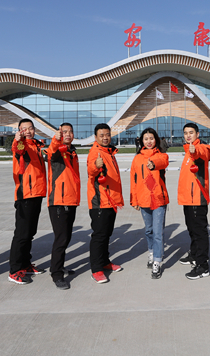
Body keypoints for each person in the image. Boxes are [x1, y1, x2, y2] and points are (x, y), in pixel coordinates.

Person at [8, 118, 47, 285]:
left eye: (30, 128)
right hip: (26, 195)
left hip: (37, 193)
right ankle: (15, 270)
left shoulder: (36, 146)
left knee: (30, 233)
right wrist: (18, 139)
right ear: (19, 131)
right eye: (24, 129)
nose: (28, 131)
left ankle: (25, 264)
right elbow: (18, 148)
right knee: (22, 234)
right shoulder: (22, 145)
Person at [87, 123, 125, 284]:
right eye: (101, 135)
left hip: (111, 201)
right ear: (95, 137)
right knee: (99, 236)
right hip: (100, 202)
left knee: (106, 234)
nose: (105, 138)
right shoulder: (96, 152)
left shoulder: (109, 152)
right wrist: (96, 166)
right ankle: (96, 269)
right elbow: (91, 170)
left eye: (107, 134)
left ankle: (104, 262)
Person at [130, 128, 170, 279]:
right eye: (146, 139)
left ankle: (157, 262)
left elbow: (163, 162)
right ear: (141, 141)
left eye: (151, 138)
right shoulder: (137, 159)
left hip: (158, 199)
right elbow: (133, 180)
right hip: (143, 199)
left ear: (156, 140)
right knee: (149, 230)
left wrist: (153, 163)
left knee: (158, 232)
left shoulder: (161, 155)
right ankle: (152, 252)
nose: (149, 141)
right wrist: (134, 199)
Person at [46, 122, 81, 290]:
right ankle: (56, 274)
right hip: (59, 202)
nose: (68, 134)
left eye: (70, 131)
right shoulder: (57, 150)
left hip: (71, 200)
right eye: (64, 132)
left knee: (66, 237)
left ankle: (59, 266)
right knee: (61, 239)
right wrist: (55, 140)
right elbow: (52, 153)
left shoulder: (72, 151)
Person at [177, 122, 210, 280]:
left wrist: (195, 150)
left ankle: (202, 265)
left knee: (199, 232)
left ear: (197, 134)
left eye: (191, 132)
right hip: (188, 198)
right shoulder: (187, 151)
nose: (188, 135)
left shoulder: (201, 148)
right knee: (192, 229)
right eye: (186, 133)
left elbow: (204, 153)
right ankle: (194, 254)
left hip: (197, 199)